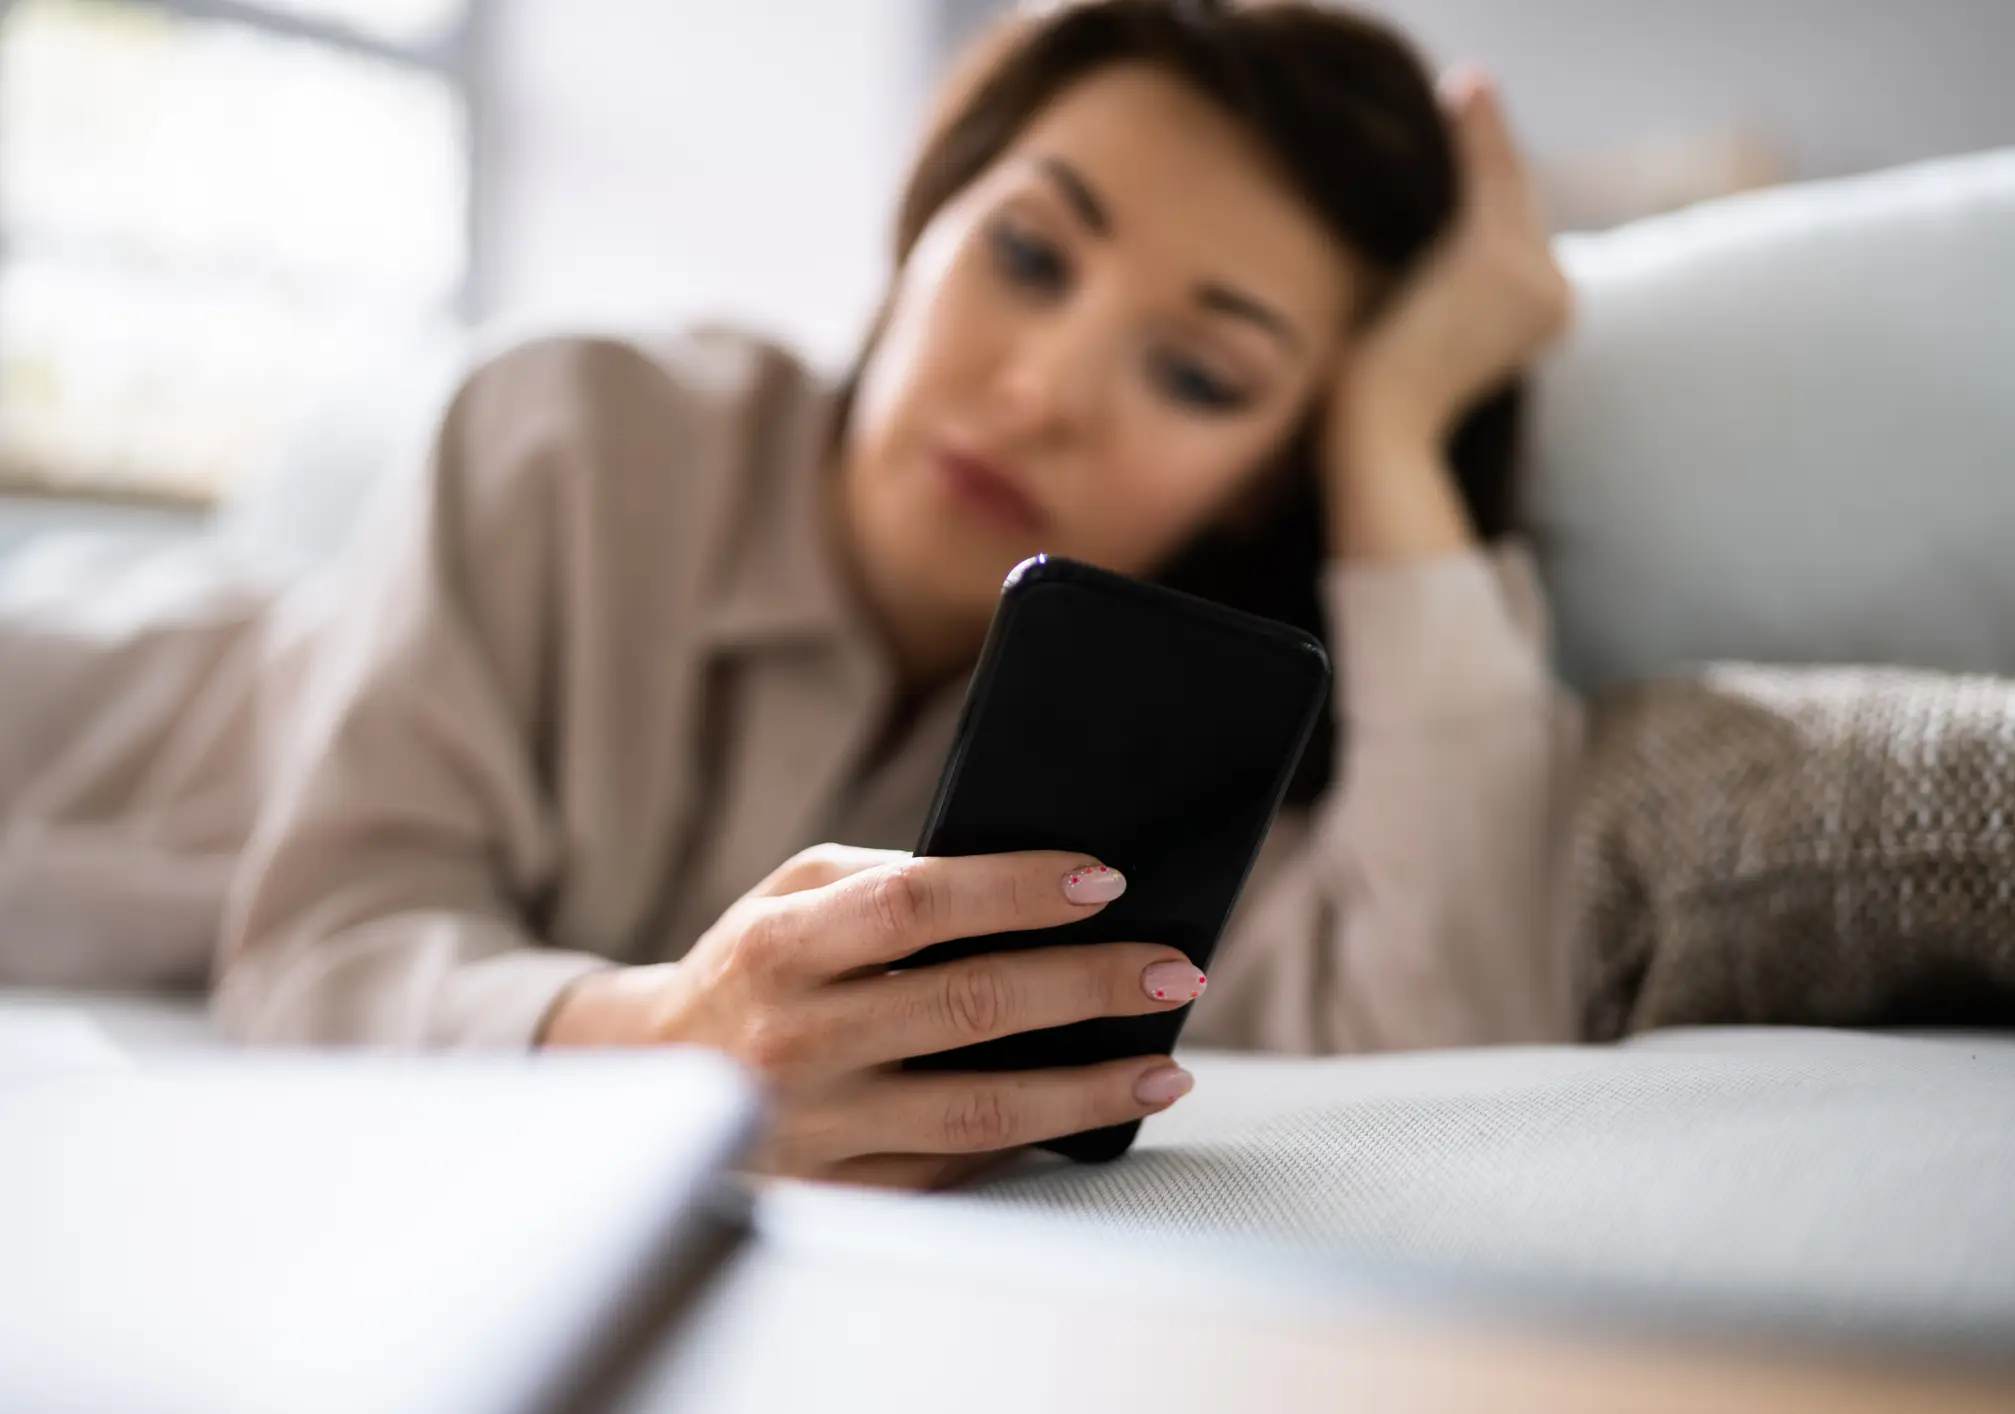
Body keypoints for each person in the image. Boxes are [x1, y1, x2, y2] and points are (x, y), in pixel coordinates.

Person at [1, 0, 1576, 1187]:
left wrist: (1390, 428)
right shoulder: (573, 425)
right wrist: (665, 1038)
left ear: (1265, 478)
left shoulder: (1149, 759)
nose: (1042, 391)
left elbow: (1467, 1022)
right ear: (922, 227)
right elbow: (325, 939)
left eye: (1198, 371)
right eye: (1028, 256)